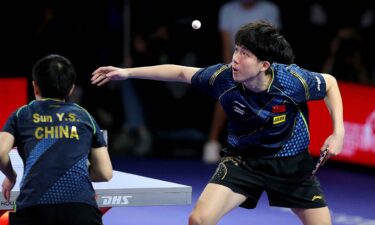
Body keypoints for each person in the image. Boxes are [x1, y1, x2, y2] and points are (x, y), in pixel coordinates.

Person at [91, 21, 345, 225]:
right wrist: (126, 73)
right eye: (236, 49)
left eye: (245, 54)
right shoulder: (223, 78)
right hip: (244, 162)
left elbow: (330, 82)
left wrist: (338, 133)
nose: (235, 58)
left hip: (292, 165)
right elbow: (181, 72)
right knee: (199, 219)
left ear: (264, 65)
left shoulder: (292, 81)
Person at [0, 54, 113, 225]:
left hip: (34, 211)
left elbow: (1, 152)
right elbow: (105, 173)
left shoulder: (22, 114)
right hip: (82, 212)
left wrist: (11, 176)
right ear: (71, 89)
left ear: (35, 86)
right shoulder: (84, 116)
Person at [203, 0, 283, 163]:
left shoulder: (270, 9)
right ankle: (211, 143)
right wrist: (232, 68)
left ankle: (271, 148)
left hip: (261, 66)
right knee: (225, 96)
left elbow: (272, 44)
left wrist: (260, 69)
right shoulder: (227, 9)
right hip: (237, 63)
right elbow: (227, 45)